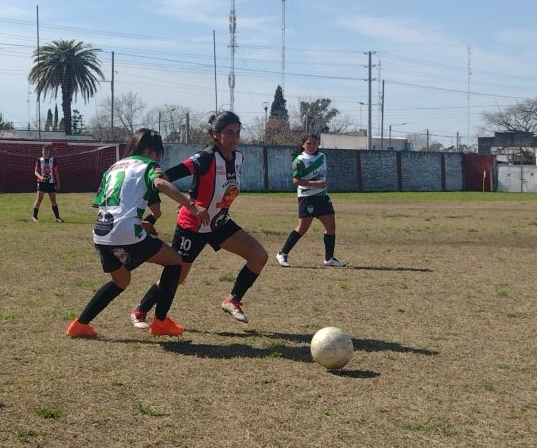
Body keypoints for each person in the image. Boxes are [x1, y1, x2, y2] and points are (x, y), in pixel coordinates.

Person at [130, 111, 268, 327]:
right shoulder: (205, 157)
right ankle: (140, 311)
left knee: (259, 256)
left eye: (237, 133)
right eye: (229, 132)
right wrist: (188, 203)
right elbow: (169, 175)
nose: (234, 138)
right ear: (215, 134)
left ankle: (232, 300)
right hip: (192, 226)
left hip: (219, 223)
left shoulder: (238, 158)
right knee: (177, 277)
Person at [66, 129, 201, 338]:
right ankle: (161, 322)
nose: (158, 158)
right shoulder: (148, 165)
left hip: (101, 232)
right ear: (150, 150)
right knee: (175, 262)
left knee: (121, 281)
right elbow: (160, 185)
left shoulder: (112, 168)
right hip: (126, 233)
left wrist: (141, 222)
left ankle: (80, 325)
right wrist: (191, 206)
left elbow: (110, 204)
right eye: (158, 153)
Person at [275, 134, 347, 268]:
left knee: (331, 227)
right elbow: (296, 181)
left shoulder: (322, 156)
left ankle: (329, 259)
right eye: (309, 143)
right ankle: (282, 253)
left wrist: (320, 185)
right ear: (303, 145)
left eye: (314, 143)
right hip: (307, 197)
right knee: (302, 229)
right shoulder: (299, 160)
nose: (312, 146)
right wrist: (315, 183)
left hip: (323, 196)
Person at [31, 145, 63, 222]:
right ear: (42, 151)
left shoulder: (53, 160)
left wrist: (58, 183)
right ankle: (34, 217)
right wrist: (40, 177)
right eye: (44, 150)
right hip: (41, 183)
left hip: (51, 183)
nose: (46, 152)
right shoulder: (39, 160)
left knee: (53, 200)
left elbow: (56, 172)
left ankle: (57, 218)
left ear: (49, 151)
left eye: (47, 150)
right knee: (39, 199)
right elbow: (35, 171)